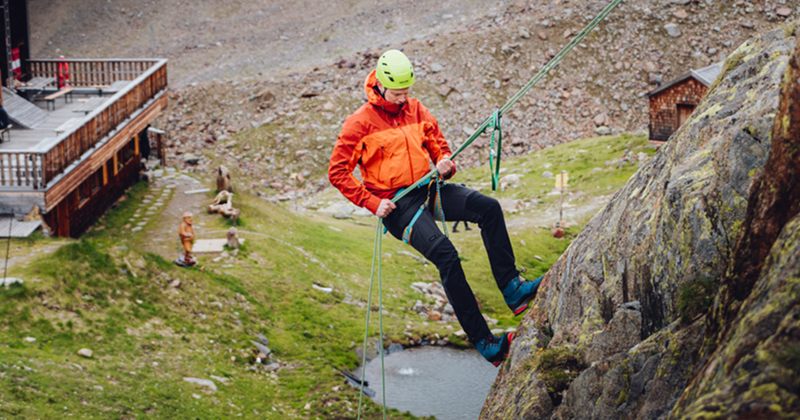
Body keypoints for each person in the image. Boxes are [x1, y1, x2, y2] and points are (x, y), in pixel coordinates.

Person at [328, 50, 542, 366]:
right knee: (447, 256)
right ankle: (486, 342)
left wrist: (444, 163)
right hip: (397, 206)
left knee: (489, 209)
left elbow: (438, 145)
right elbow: (338, 172)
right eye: (397, 93)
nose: (403, 99)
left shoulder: (416, 109)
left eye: (407, 92)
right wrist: (372, 203)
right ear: (381, 86)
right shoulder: (358, 124)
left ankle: (514, 289)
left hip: (428, 189)